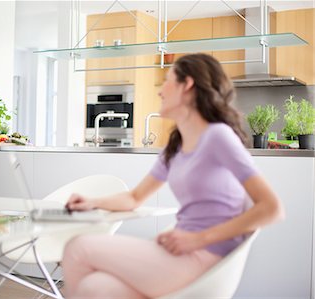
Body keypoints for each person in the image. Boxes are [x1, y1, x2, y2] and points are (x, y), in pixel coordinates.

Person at [63, 53, 284, 299]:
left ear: (187, 85)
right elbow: (134, 198)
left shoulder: (217, 136)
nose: (160, 91)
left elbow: (272, 208)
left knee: (78, 247)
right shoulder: (177, 144)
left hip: (204, 257)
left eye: (168, 80)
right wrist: (92, 202)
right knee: (93, 287)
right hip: (178, 251)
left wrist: (197, 239)